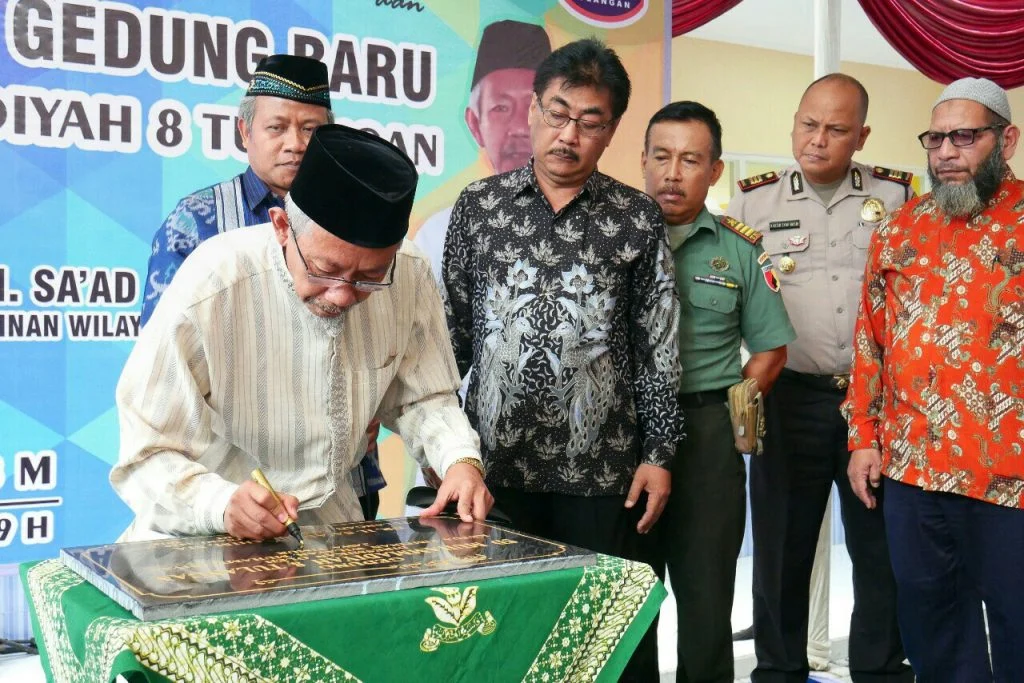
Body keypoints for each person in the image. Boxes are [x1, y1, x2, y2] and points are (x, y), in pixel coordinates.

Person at [112, 124, 493, 542]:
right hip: (202, 535)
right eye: (325, 270)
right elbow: (145, 453)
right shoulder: (214, 284)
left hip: (330, 531)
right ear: (281, 227)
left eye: (369, 278)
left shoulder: (409, 275)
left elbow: (423, 397)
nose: (343, 295)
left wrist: (459, 460)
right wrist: (219, 504)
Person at [443, 38, 682, 680]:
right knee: (502, 638)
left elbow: (657, 348)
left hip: (602, 474)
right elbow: (449, 339)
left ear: (612, 130)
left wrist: (659, 454)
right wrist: (444, 447)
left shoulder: (636, 218)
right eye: (557, 113)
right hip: (496, 472)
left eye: (589, 121)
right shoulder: (479, 208)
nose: (568, 134)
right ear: (533, 109)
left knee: (609, 638)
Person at [138, 54, 384, 520]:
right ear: (244, 132)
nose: (296, 144)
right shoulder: (197, 222)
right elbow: (163, 364)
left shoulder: (360, 218)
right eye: (277, 128)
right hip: (232, 489)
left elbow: (378, 331)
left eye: (311, 130)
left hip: (343, 479)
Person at [727, 73, 913, 683]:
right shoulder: (753, 204)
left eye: (836, 129)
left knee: (879, 551)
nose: (818, 139)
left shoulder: (896, 197)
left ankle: (879, 670)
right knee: (781, 551)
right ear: (794, 125)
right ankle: (779, 672)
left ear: (862, 136)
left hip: (873, 403)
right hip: (789, 398)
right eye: (808, 125)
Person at [843, 77, 1024, 682]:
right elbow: (871, 341)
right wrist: (863, 436)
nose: (946, 152)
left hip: (1010, 477)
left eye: (964, 137)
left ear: (1006, 141)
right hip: (913, 470)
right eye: (936, 138)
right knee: (933, 628)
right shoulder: (900, 228)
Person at [641, 101, 795, 683]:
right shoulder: (610, 237)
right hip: (620, 434)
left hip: (706, 435)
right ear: (643, 160)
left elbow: (771, 350)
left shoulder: (739, 249)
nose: (672, 173)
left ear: (714, 171)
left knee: (705, 599)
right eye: (661, 157)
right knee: (626, 597)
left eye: (690, 160)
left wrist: (734, 420)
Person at [414, 20, 551, 278]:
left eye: (532, 108)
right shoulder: (439, 235)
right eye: (501, 108)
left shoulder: (592, 228)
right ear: (475, 124)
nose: (519, 127)